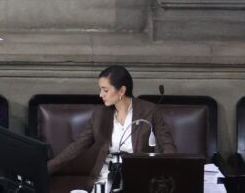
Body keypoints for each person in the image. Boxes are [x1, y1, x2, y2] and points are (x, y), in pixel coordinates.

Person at [47, 65, 177, 189]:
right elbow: (78, 146)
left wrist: (162, 174)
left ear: (121, 90)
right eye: (100, 90)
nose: (101, 95)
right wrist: (45, 169)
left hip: (138, 177)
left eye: (105, 90)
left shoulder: (150, 111)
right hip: (106, 178)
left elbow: (168, 146)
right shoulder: (100, 114)